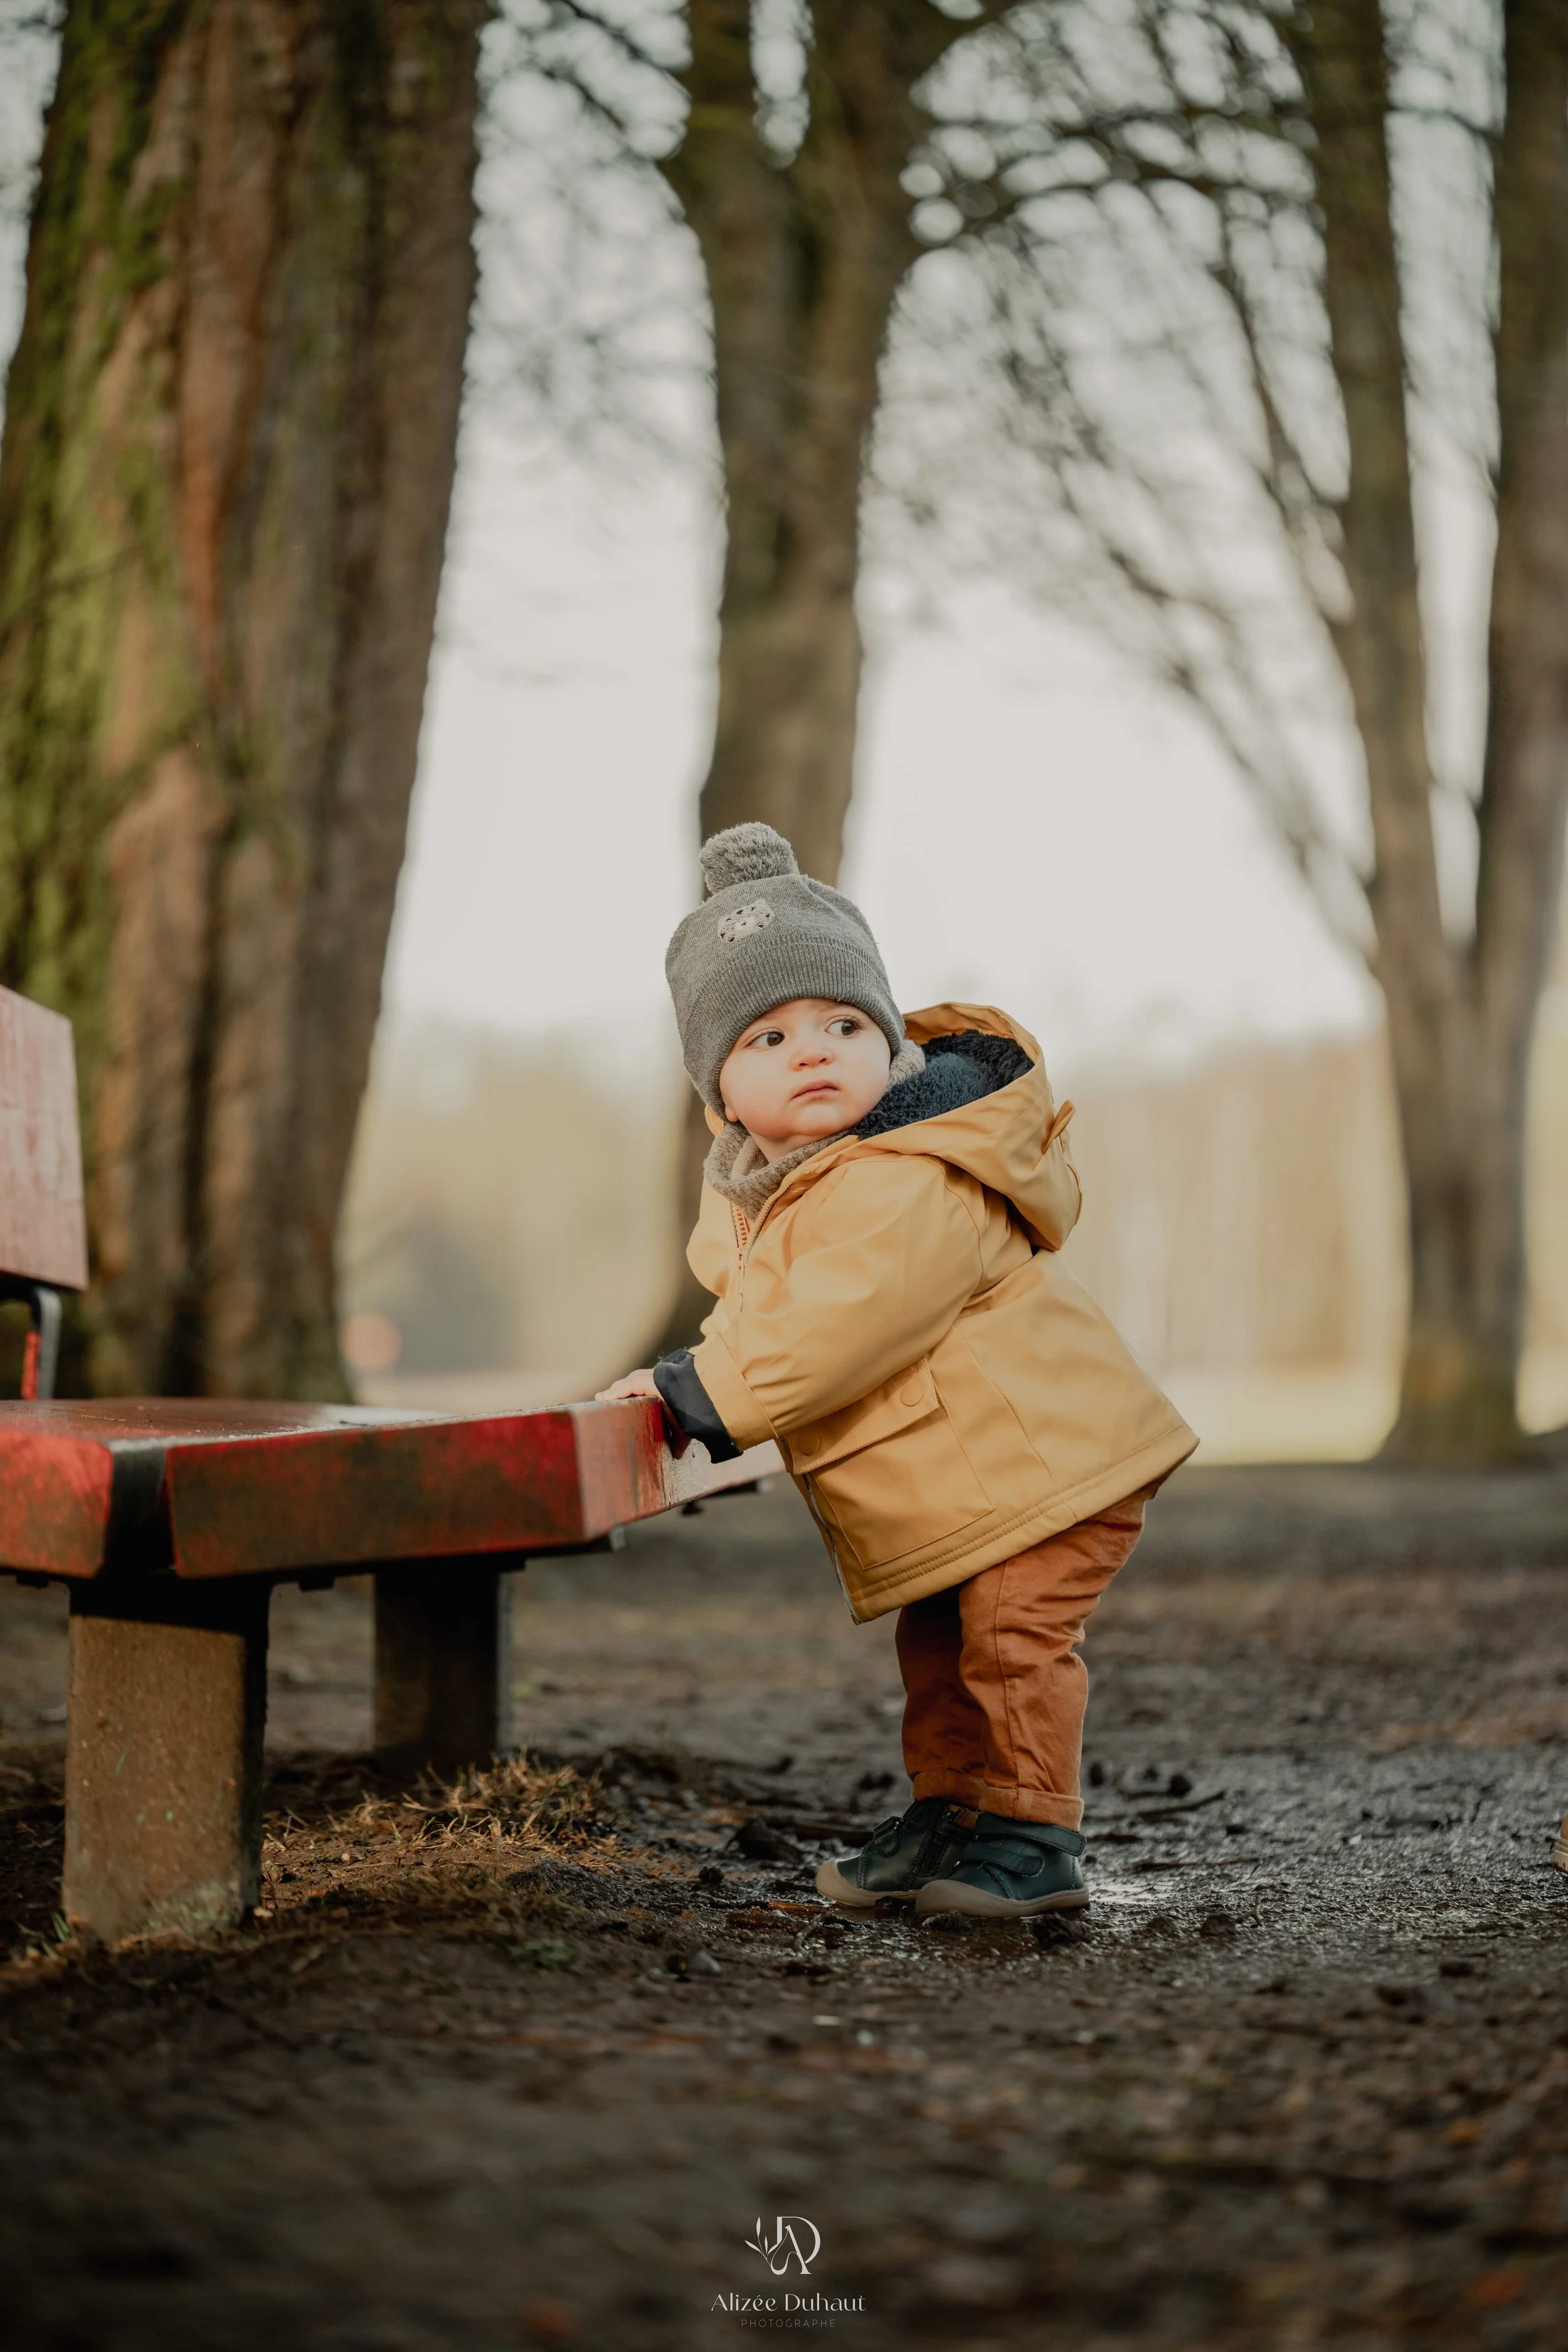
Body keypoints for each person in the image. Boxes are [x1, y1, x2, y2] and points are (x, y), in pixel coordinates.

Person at [598, 822, 1197, 1919]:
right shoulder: (772, 1198)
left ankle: (1030, 1831)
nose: (813, 1050)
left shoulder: (907, 1172)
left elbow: (837, 1321)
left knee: (1012, 1642)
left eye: (842, 1023)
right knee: (940, 1639)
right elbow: (774, 1301)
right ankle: (954, 1806)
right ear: (722, 1095)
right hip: (971, 1482)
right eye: (767, 1039)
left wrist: (698, 1390)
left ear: (892, 1046)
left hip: (1046, 1463)